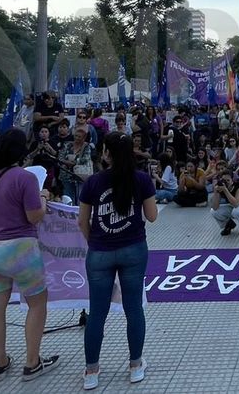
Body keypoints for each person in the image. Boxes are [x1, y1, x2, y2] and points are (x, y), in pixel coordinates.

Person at [0, 128, 59, 383]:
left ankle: (0, 362)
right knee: (37, 304)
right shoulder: (25, 178)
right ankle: (32, 362)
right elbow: (34, 216)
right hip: (19, 250)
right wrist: (43, 197)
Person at [79, 132, 157, 388]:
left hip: (100, 252)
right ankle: (135, 365)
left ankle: (91, 372)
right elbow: (152, 216)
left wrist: (96, 241)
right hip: (134, 249)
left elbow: (82, 221)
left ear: (106, 153)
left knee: (97, 313)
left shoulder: (92, 182)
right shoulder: (142, 180)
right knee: (133, 308)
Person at [57, 125, 95, 203]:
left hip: (80, 176)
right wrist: (69, 162)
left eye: (79, 137)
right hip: (66, 176)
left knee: (80, 199)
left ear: (84, 138)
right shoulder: (67, 144)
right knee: (68, 199)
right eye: (76, 136)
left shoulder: (86, 147)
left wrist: (71, 162)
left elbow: (85, 159)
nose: (77, 138)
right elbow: (60, 157)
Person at [210, 168, 239, 237]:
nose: (226, 182)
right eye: (224, 180)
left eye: (228, 180)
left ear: (232, 180)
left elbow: (236, 204)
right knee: (213, 212)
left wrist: (225, 190)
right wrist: (216, 192)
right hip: (232, 206)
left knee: (237, 211)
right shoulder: (221, 187)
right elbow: (215, 207)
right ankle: (229, 224)